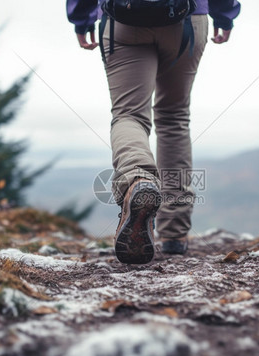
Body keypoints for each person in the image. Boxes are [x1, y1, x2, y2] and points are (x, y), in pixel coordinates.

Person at [66, 0, 241, 264]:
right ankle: (175, 233)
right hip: (187, 18)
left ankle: (137, 179)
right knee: (174, 117)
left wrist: (82, 18)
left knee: (129, 114)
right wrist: (224, 14)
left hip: (122, 19)